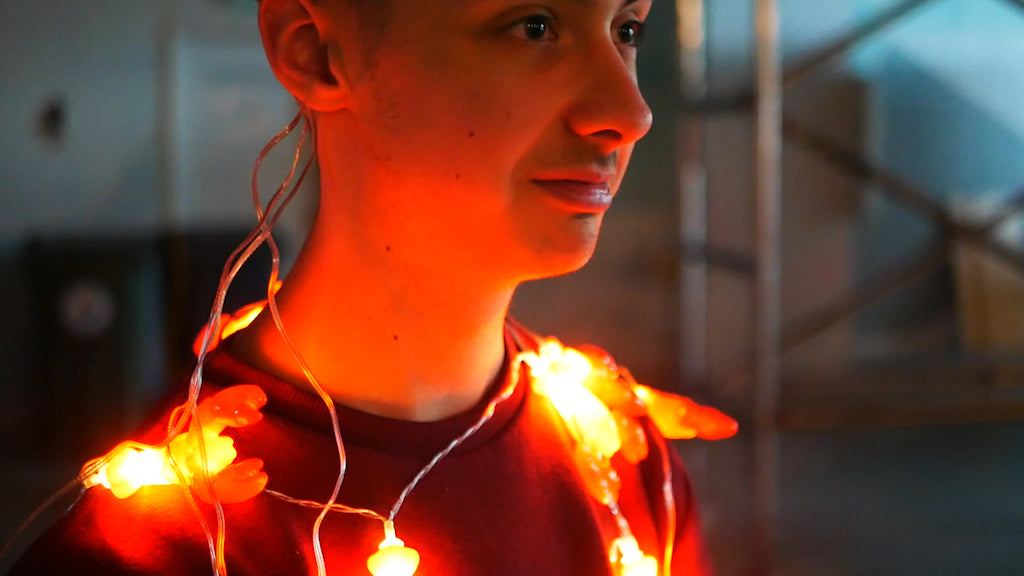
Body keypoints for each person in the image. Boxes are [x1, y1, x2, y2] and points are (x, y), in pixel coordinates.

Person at [6, 0, 731, 574]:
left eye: (626, 28)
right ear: (314, 51)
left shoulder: (624, 470)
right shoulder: (155, 548)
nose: (630, 115)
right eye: (534, 26)